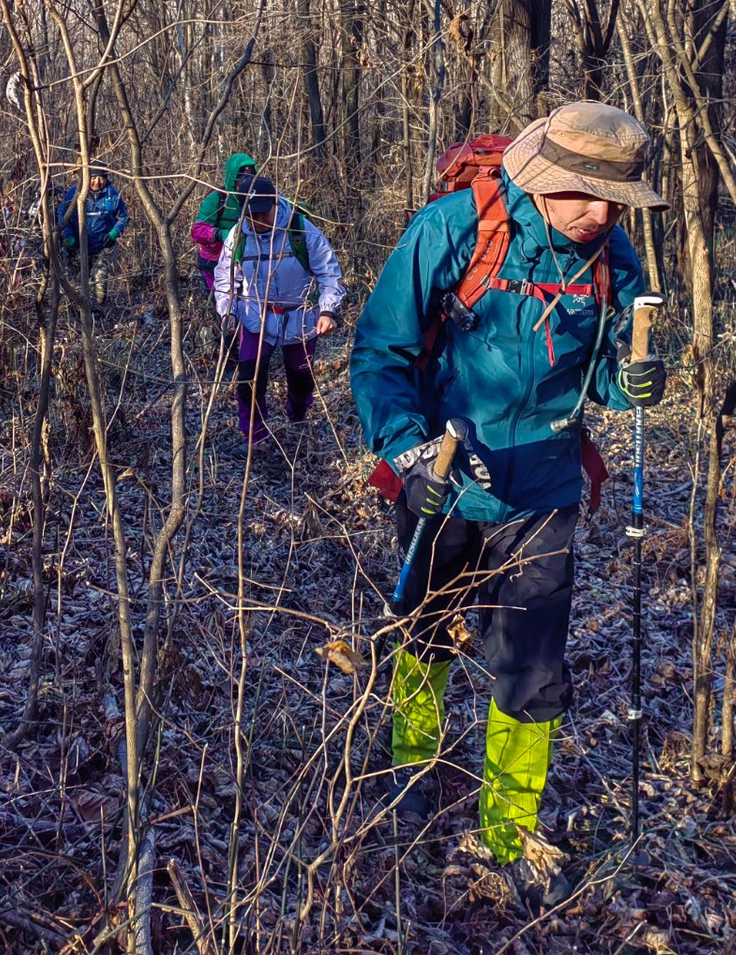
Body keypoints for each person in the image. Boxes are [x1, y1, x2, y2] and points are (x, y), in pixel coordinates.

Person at [350, 102, 666, 907]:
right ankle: (410, 774)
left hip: (546, 485)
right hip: (445, 476)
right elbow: (380, 351)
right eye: (586, 195)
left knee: (532, 667)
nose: (602, 215)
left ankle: (508, 826)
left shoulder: (611, 255)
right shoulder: (454, 229)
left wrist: (628, 383)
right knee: (423, 628)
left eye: (616, 201)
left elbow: (601, 373)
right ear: (543, 178)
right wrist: (407, 453)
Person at [215, 176, 346, 459]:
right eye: (252, 215)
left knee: (301, 378)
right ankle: (255, 438)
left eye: (264, 213)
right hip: (255, 317)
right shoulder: (238, 237)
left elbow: (329, 272)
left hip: (299, 318)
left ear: (276, 204)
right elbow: (226, 279)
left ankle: (297, 421)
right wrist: (227, 312)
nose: (258, 220)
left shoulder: (301, 229)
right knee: (249, 380)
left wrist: (327, 310)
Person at [58, 165, 129, 307]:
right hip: (77, 246)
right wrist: (68, 235)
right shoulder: (74, 193)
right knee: (77, 281)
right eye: (93, 178)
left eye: (101, 178)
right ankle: (76, 310)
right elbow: (61, 214)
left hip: (102, 246)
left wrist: (114, 233)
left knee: (99, 280)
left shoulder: (112, 195)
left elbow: (124, 217)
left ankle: (98, 309)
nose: (97, 182)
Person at [191, 153, 257, 293]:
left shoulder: (256, 198)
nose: (245, 183)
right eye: (241, 178)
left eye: (250, 178)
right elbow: (197, 231)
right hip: (213, 261)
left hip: (244, 260)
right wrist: (222, 234)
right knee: (221, 300)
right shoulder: (217, 198)